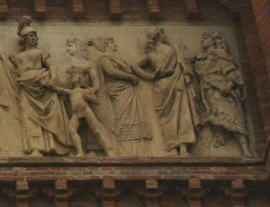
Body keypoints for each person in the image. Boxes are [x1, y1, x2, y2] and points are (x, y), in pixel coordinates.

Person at [10, 18, 74, 156]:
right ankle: (36, 147)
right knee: (29, 117)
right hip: (27, 87)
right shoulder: (18, 56)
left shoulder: (41, 52)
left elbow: (52, 66)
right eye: (31, 36)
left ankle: (53, 145)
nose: (34, 38)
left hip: (44, 86)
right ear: (25, 38)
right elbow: (18, 73)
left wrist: (53, 79)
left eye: (35, 36)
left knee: (51, 114)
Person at [87, 36, 155, 156]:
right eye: (113, 43)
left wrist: (149, 53)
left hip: (128, 91)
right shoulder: (104, 59)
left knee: (133, 119)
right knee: (123, 120)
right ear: (107, 45)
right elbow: (111, 72)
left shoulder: (119, 59)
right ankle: (125, 150)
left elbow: (135, 66)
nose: (115, 45)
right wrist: (129, 77)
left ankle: (137, 150)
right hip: (118, 92)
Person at [138, 27, 198, 155]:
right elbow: (134, 66)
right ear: (159, 35)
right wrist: (149, 76)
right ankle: (174, 147)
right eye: (163, 32)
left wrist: (149, 76)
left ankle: (181, 148)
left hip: (174, 83)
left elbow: (134, 66)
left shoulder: (172, 49)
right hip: (165, 85)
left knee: (181, 115)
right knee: (173, 117)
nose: (165, 35)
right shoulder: (163, 51)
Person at [193, 31, 253, 156]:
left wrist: (228, 86)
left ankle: (245, 149)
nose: (203, 40)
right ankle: (219, 139)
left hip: (221, 90)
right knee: (214, 118)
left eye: (206, 38)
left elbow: (232, 73)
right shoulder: (203, 57)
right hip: (209, 92)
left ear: (214, 40)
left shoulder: (221, 55)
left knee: (232, 117)